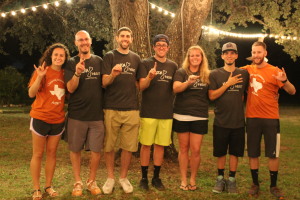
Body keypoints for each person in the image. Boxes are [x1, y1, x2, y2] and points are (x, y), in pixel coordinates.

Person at [241, 41, 296, 198]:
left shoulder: (275, 71)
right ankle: (255, 184)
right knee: (253, 153)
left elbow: (292, 91)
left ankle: (273, 186)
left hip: (271, 118)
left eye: (259, 52)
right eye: (254, 52)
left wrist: (284, 80)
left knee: (273, 153)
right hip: (252, 117)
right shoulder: (247, 70)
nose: (256, 55)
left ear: (265, 53)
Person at [101, 27, 142, 194]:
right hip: (111, 108)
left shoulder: (136, 58)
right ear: (117, 38)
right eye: (122, 36)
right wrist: (113, 74)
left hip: (132, 109)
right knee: (109, 146)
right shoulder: (109, 56)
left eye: (128, 36)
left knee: (128, 146)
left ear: (131, 39)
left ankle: (123, 177)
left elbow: (140, 83)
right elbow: (104, 82)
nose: (125, 38)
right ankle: (110, 178)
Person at [64, 30, 104, 196]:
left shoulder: (99, 61)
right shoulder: (70, 62)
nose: (84, 42)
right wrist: (77, 72)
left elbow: (105, 84)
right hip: (77, 115)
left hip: (96, 115)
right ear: (76, 43)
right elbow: (70, 88)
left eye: (86, 39)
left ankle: (91, 181)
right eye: (80, 40)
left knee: (96, 151)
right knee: (75, 149)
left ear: (91, 41)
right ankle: (78, 182)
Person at [28, 43, 70, 200]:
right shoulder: (42, 71)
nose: (58, 57)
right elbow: (31, 93)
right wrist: (39, 76)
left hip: (58, 120)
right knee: (38, 154)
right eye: (56, 55)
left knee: (52, 153)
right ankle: (36, 188)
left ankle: (48, 186)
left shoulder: (66, 74)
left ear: (65, 58)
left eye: (62, 55)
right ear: (50, 56)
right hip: (40, 118)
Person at [138, 34, 178, 191]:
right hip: (148, 112)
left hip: (166, 113)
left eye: (164, 45)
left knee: (160, 146)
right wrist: (149, 77)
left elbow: (175, 87)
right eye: (158, 44)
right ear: (153, 47)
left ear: (168, 48)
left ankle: (156, 177)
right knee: (146, 145)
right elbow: (141, 86)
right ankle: (143, 178)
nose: (161, 47)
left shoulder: (173, 66)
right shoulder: (145, 63)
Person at [208, 42, 249, 194]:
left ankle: (231, 180)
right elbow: (211, 96)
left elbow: (245, 94)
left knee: (234, 153)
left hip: (238, 121)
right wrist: (228, 84)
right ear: (222, 56)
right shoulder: (215, 74)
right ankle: (220, 178)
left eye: (232, 53)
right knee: (220, 152)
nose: (229, 55)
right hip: (221, 121)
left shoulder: (244, 73)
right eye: (227, 53)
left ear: (236, 55)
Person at [172, 45, 210, 191]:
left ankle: (193, 179)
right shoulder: (181, 72)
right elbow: (175, 89)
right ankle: (183, 179)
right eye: (192, 55)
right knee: (183, 148)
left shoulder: (207, 74)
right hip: (181, 115)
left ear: (202, 58)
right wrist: (188, 82)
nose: (195, 58)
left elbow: (212, 94)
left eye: (198, 55)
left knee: (195, 150)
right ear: (188, 58)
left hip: (200, 116)